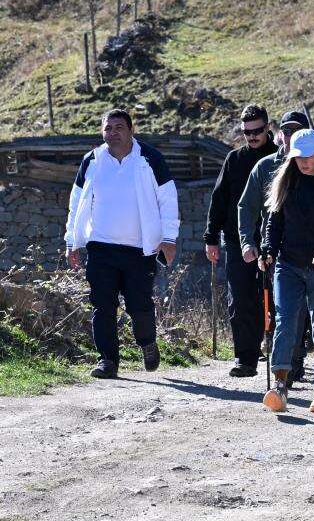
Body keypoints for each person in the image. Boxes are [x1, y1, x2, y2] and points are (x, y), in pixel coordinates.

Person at [64, 109, 179, 379]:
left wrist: (169, 238)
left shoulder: (150, 159)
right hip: (101, 246)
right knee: (102, 305)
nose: (112, 133)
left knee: (139, 305)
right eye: (108, 128)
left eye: (118, 127)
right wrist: (72, 241)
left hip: (140, 249)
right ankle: (108, 361)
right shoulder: (92, 160)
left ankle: (147, 343)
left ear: (131, 130)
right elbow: (76, 202)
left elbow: (168, 198)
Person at [259, 129, 314, 413]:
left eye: (308, 155)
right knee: (285, 321)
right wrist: (268, 248)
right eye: (298, 156)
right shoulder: (285, 184)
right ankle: (280, 385)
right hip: (288, 264)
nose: (303, 161)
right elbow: (274, 223)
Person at [238, 110, 312, 385]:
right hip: (276, 250)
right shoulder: (265, 167)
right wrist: (248, 241)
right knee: (283, 309)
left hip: (311, 252)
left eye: (297, 130)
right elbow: (246, 206)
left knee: (303, 310)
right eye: (287, 131)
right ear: (280, 133)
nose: (291, 136)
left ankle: (296, 356)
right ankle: (286, 364)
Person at [205, 105, 278, 377]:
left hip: (275, 241)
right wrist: (211, 237)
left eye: (257, 131)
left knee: (276, 299)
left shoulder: (279, 158)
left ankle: (286, 359)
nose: (252, 136)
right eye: (247, 132)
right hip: (238, 241)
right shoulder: (234, 159)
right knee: (240, 300)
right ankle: (245, 359)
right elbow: (219, 198)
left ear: (267, 128)